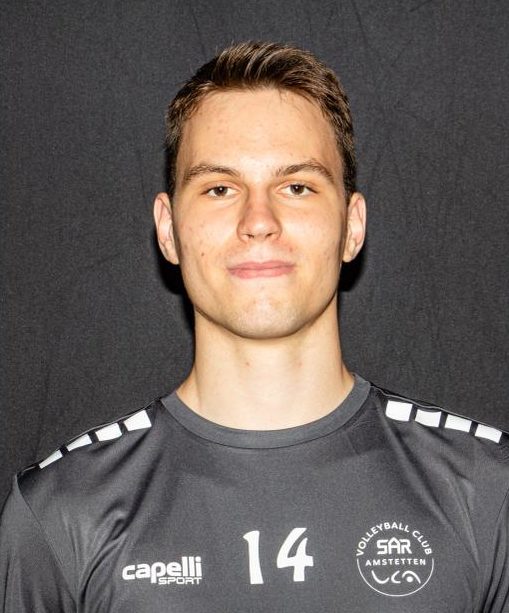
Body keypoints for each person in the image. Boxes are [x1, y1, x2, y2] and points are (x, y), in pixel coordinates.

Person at [1, 40, 508, 613]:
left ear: (352, 226)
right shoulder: (62, 513)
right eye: (220, 188)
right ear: (168, 229)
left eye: (297, 187)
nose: (258, 221)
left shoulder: (488, 495)